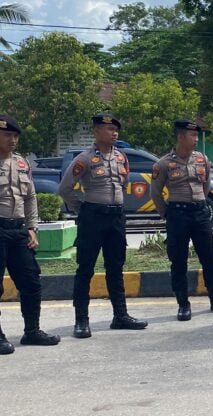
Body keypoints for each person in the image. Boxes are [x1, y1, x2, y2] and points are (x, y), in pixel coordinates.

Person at [0, 115, 60, 355]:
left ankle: (32, 331)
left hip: (18, 232)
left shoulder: (22, 164)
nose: (12, 139)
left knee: (31, 282)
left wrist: (32, 228)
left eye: (15, 136)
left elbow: (30, 198)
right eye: (7, 135)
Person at [60, 113, 147, 338]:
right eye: (109, 129)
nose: (114, 133)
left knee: (115, 267)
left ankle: (120, 315)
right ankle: (81, 320)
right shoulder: (84, 159)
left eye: (116, 129)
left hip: (116, 217)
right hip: (93, 217)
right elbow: (65, 189)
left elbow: (122, 183)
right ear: (96, 132)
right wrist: (84, 210)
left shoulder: (121, 158)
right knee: (85, 269)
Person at [150, 119, 213, 322]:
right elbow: (156, 193)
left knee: (210, 258)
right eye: (192, 135)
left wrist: (201, 203)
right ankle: (183, 304)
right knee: (178, 261)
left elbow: (205, 185)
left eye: (197, 135)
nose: (196, 139)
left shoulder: (202, 159)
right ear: (180, 137)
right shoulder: (164, 164)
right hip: (178, 215)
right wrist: (167, 214)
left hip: (200, 214)